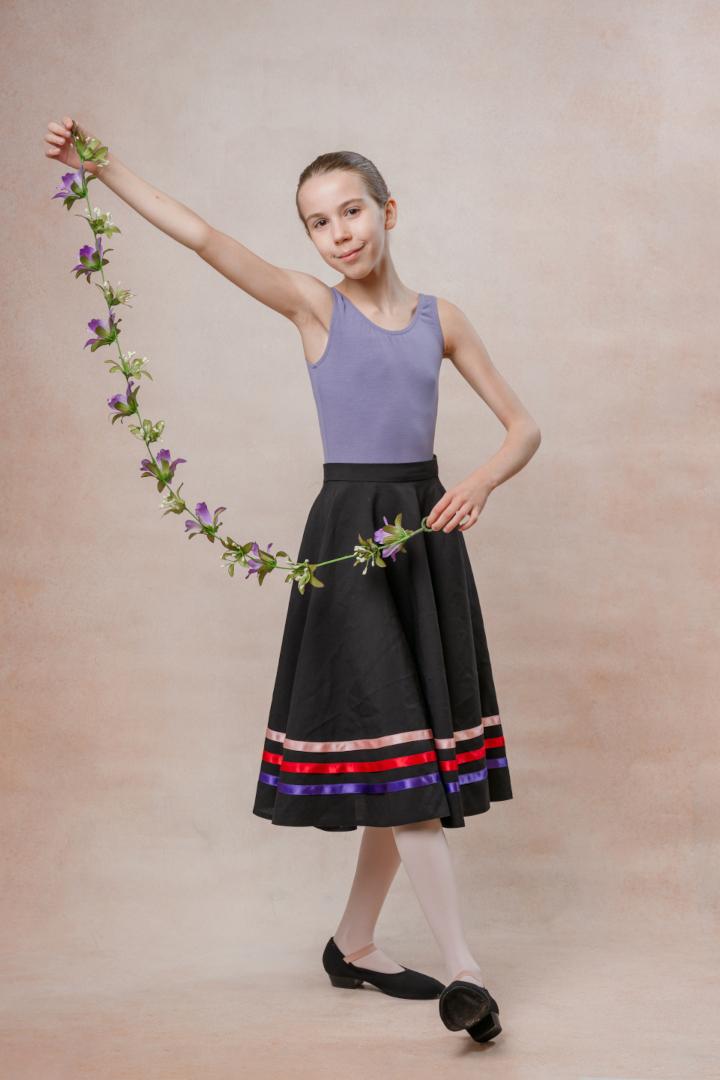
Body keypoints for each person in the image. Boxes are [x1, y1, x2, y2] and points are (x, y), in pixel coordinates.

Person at [45, 117, 541, 1043]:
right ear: (308, 240)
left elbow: (523, 426)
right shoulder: (317, 309)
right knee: (409, 764)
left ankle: (353, 943)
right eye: (318, 223)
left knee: (411, 757)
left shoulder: (444, 320)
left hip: (427, 537)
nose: (339, 233)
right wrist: (101, 168)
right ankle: (465, 974)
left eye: (352, 211)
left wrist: (476, 482)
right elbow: (204, 238)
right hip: (349, 542)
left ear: (388, 211)